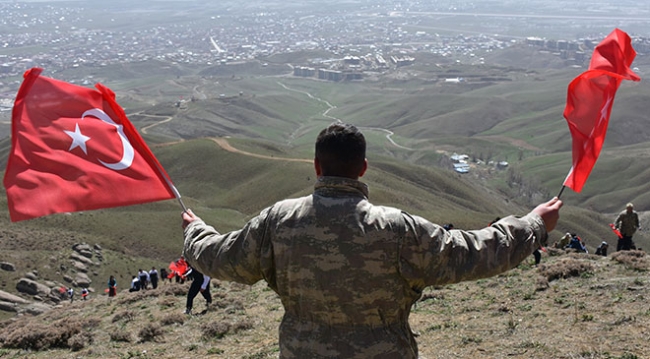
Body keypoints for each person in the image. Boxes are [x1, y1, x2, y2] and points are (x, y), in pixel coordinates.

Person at [181, 122, 562, 358]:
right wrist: (533, 224)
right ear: (363, 167)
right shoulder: (396, 229)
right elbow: (474, 253)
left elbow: (220, 259)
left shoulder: (279, 220)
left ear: (316, 167)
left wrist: (195, 229)